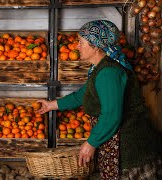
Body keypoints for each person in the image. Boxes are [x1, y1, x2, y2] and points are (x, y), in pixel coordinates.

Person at [37, 20, 162, 179]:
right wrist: (51, 105)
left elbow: (111, 115)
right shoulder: (100, 68)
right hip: (118, 145)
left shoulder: (109, 73)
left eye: (81, 42)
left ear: (95, 46)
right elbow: (84, 94)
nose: (76, 46)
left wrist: (90, 143)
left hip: (131, 148)